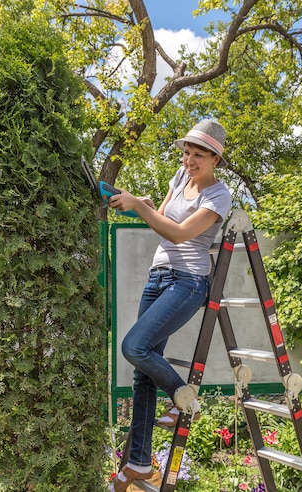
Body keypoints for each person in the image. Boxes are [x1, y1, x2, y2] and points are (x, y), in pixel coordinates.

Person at [107, 119, 232, 492]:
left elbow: (179, 233)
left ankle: (182, 396)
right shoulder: (179, 178)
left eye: (197, 155)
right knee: (141, 374)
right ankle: (141, 464)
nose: (189, 160)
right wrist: (134, 204)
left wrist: (140, 208)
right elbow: (160, 220)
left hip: (189, 282)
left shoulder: (219, 196)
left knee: (135, 347)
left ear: (215, 159)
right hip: (158, 276)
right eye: (186, 152)